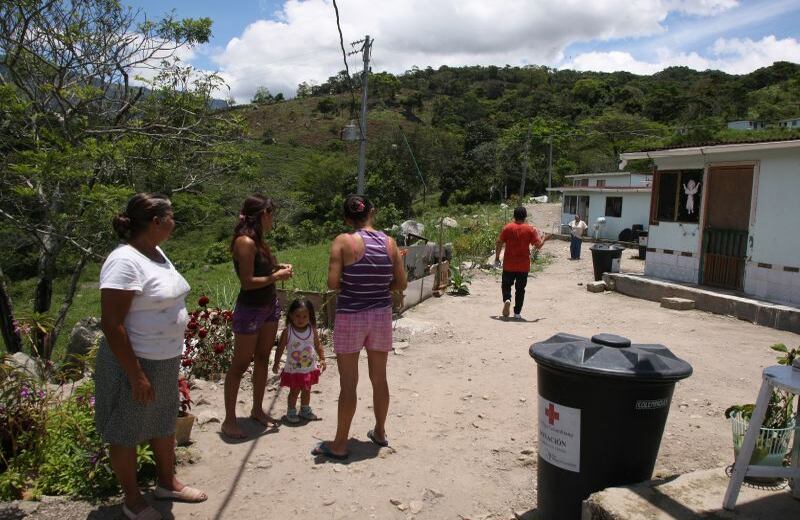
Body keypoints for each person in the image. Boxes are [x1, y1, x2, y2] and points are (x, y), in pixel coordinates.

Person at [98, 193, 207, 520]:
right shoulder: (124, 261)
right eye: (171, 216)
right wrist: (136, 374)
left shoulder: (155, 252)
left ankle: (166, 482)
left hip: (164, 358)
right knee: (125, 428)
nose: (175, 221)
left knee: (162, 421)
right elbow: (112, 323)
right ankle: (132, 499)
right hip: (134, 362)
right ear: (156, 222)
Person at [312, 194, 407, 460]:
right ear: (372, 212)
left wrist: (353, 283)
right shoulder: (389, 243)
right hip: (380, 315)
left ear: (346, 218)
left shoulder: (342, 241)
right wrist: (379, 286)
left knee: (349, 384)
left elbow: (332, 283)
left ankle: (340, 443)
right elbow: (401, 284)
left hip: (351, 315)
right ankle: (379, 431)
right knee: (379, 378)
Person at [222, 195, 293, 439]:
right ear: (263, 214)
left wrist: (276, 268)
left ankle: (257, 409)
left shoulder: (259, 242)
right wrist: (277, 277)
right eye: (271, 213)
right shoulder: (245, 242)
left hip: (267, 306)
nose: (273, 218)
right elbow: (247, 282)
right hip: (251, 308)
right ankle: (229, 420)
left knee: (263, 357)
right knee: (240, 364)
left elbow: (259, 271)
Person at [272, 298, 327, 423]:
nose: (301, 319)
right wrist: (276, 362)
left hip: (308, 368)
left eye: (304, 316)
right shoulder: (288, 331)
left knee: (307, 390)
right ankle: (291, 411)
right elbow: (280, 348)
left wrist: (322, 358)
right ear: (291, 315)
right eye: (297, 316)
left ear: (310, 317)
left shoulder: (312, 330)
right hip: (294, 370)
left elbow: (318, 345)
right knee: (294, 391)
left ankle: (305, 410)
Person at [494, 206, 550, 320]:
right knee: (520, 289)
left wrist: (496, 258)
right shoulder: (530, 229)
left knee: (506, 285)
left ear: (514, 215)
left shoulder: (507, 228)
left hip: (509, 264)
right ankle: (517, 313)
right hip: (523, 266)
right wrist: (545, 238)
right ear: (525, 216)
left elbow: (499, 242)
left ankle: (507, 299)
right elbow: (538, 245)